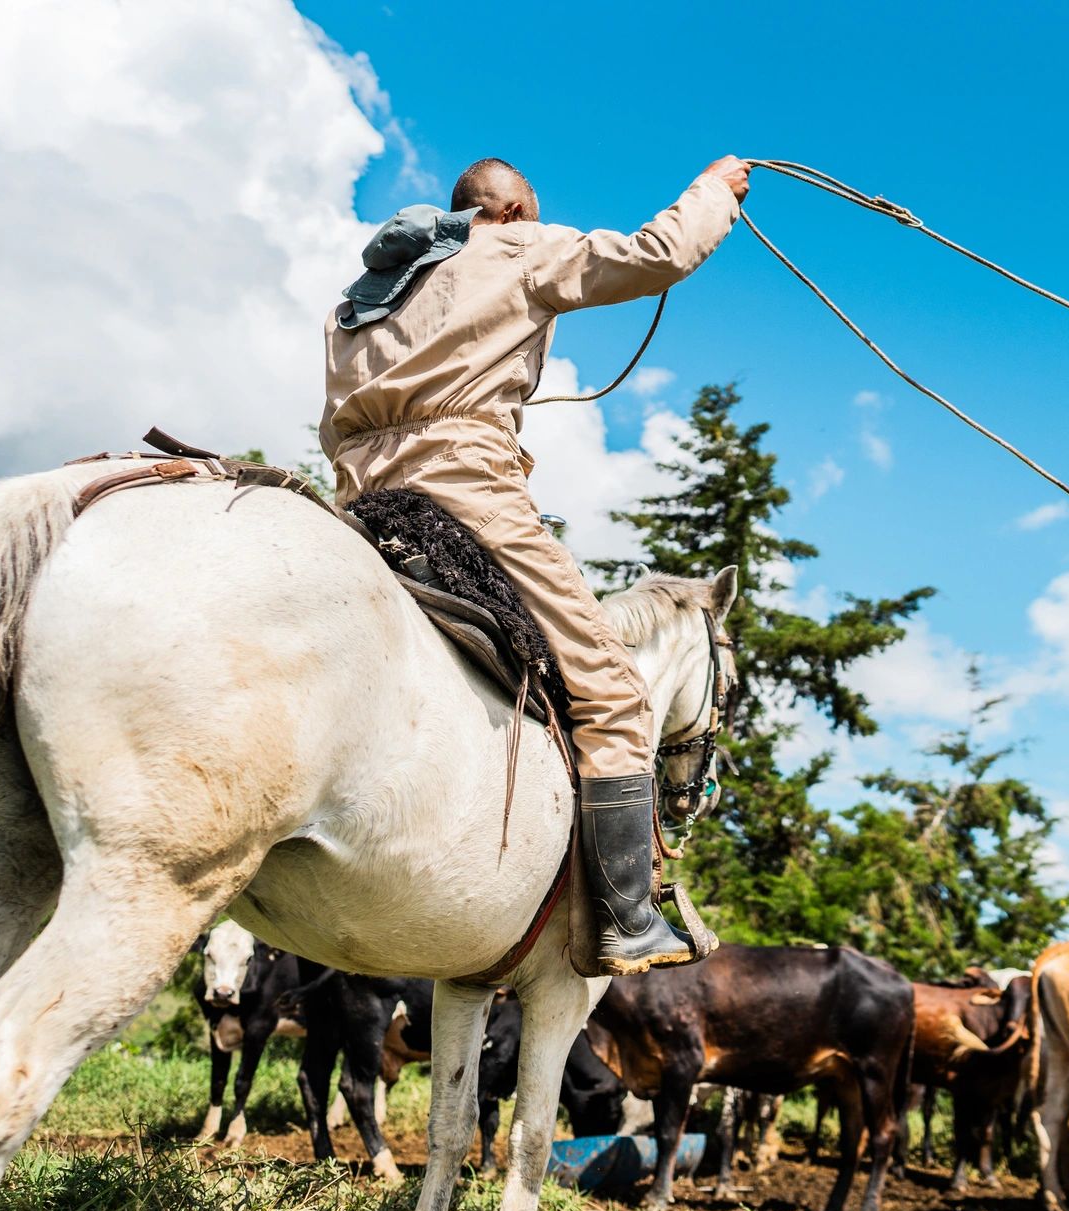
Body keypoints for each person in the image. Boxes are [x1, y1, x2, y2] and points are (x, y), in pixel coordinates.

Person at [319, 155, 750, 974]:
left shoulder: (361, 296)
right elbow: (655, 254)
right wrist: (712, 192)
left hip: (358, 498)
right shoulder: (515, 246)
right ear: (512, 210)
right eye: (536, 212)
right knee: (614, 688)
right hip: (463, 491)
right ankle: (625, 918)